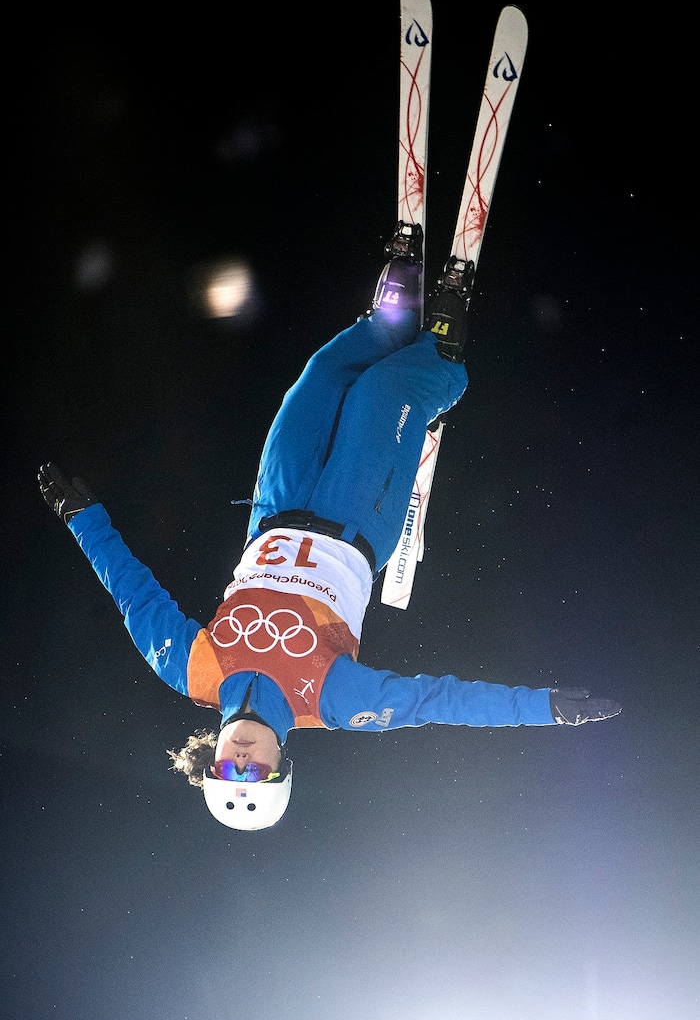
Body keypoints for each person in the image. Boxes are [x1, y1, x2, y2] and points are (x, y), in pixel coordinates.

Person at [38, 222, 621, 831]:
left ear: (207, 760)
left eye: (225, 773)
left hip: (275, 510)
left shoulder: (191, 669)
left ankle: (391, 318)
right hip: (357, 519)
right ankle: (441, 358)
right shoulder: (332, 702)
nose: (241, 764)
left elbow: (132, 591)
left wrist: (82, 516)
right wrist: (544, 709)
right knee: (381, 394)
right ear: (281, 765)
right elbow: (435, 701)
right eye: (255, 776)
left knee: (318, 381)